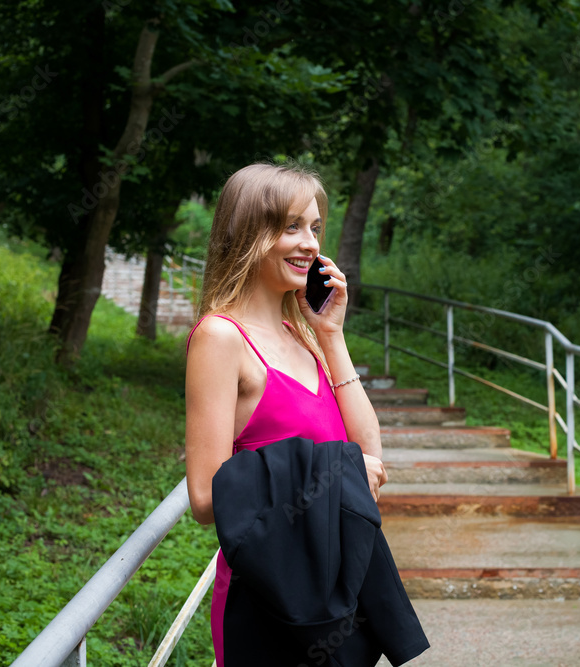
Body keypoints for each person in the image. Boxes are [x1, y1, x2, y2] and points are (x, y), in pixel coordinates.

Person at [184, 161, 390, 665]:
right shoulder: (220, 337)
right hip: (267, 596)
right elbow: (207, 497)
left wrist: (331, 334)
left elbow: (371, 460)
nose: (310, 244)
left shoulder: (304, 335)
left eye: (315, 228)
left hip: (330, 587)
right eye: (291, 226)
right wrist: (336, 471)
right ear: (248, 231)